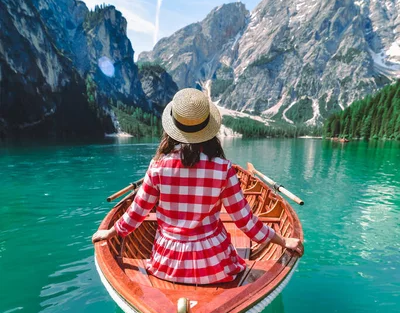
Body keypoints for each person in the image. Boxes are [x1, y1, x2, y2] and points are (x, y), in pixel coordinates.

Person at [92, 88, 302, 285]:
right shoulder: (224, 169)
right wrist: (284, 242)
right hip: (215, 266)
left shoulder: (157, 167)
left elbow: (137, 212)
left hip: (167, 266)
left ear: (172, 128)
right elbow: (246, 222)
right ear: (207, 128)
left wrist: (111, 232)